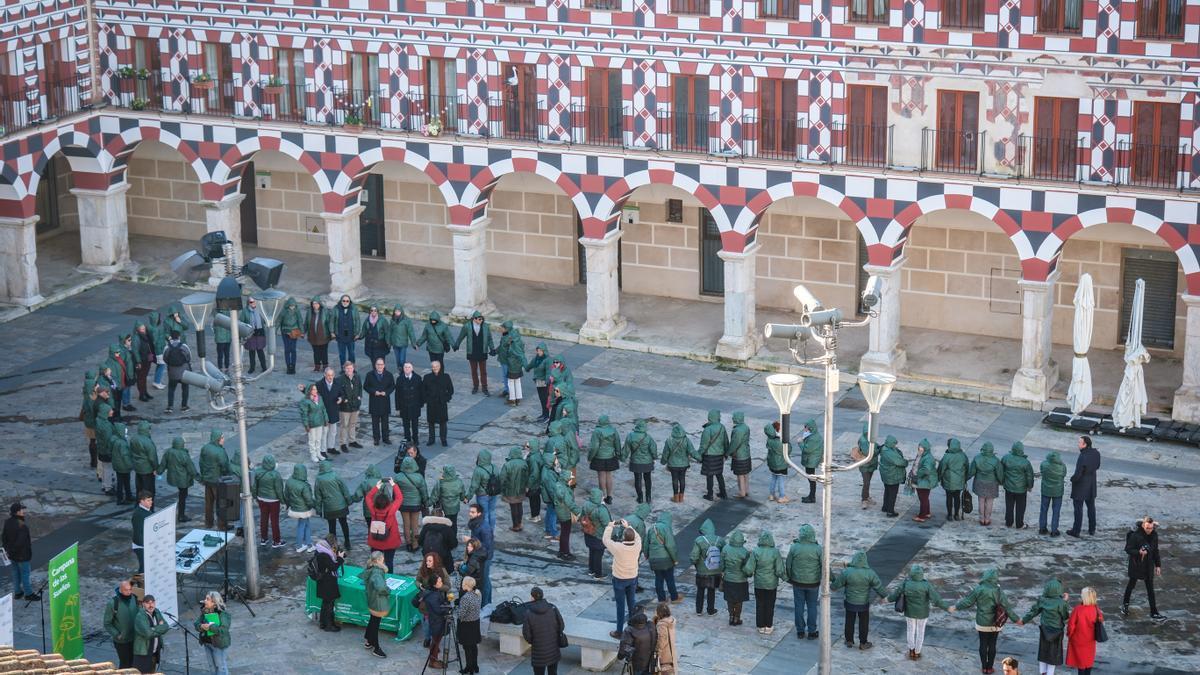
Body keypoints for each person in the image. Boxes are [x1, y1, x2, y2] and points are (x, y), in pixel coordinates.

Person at [951, 568, 1020, 674]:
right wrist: (1016, 619)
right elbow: (1007, 607)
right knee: (993, 644)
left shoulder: (979, 589)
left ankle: (984, 667)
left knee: (983, 643)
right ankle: (990, 667)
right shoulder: (998, 590)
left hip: (982, 622)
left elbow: (967, 602)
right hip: (995, 622)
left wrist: (956, 607)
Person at [886, 564, 951, 660]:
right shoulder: (926, 585)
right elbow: (936, 599)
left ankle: (911, 650)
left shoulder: (906, 583)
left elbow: (895, 594)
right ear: (921, 574)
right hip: (923, 613)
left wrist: (887, 599)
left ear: (911, 574)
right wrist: (947, 607)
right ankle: (917, 651)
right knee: (921, 632)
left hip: (910, 612)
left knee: (910, 630)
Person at [831, 550, 884, 649]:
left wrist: (832, 586)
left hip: (850, 602)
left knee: (849, 620)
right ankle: (863, 642)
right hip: (863, 603)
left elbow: (836, 585)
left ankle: (849, 640)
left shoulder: (847, 572)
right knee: (864, 622)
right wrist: (885, 596)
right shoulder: (870, 573)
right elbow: (878, 586)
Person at [602, 518, 642, 638]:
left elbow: (605, 540)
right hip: (632, 577)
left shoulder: (618, 547)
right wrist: (628, 527)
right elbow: (638, 537)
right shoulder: (637, 546)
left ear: (624, 537)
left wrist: (610, 526)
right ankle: (632, 630)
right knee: (632, 604)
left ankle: (619, 631)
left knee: (620, 605)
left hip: (619, 578)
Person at [1022, 578, 1070, 675]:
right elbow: (1065, 617)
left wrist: (1023, 620)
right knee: (1053, 654)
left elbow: (1033, 611)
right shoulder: (1061, 603)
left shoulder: (1042, 600)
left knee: (1043, 651)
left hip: (1044, 629)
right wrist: (1065, 601)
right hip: (1056, 631)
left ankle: (1042, 672)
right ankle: (1050, 673)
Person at [743, 531, 786, 635]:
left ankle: (761, 626)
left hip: (759, 583)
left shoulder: (756, 551)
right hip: (771, 584)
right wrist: (786, 578)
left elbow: (749, 569)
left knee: (760, 604)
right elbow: (779, 570)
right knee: (770, 605)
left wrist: (746, 574)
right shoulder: (775, 552)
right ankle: (768, 626)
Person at [1123, 516, 1163, 619]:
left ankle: (1153, 612)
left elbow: (1155, 551)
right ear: (1142, 526)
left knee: (1150, 589)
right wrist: (1139, 552)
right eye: (1147, 528)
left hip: (1148, 566)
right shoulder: (1135, 536)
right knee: (1131, 585)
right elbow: (1128, 549)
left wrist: (1158, 565)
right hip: (1136, 564)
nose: (1149, 530)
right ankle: (1125, 605)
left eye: (1151, 528)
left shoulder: (1154, 535)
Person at [785, 524, 821, 640]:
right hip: (813, 583)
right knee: (812, 606)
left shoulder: (794, 547)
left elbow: (788, 564)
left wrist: (790, 577)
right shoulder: (817, 549)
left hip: (797, 582)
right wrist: (831, 578)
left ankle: (800, 631)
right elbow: (824, 565)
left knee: (799, 606)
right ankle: (811, 631)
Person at [522, 586, 565, 675]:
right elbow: (561, 626)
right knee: (553, 672)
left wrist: (534, 641)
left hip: (538, 653)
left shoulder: (528, 613)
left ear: (532, 597)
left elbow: (527, 634)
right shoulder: (552, 608)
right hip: (553, 649)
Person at [199, 430, 235, 531]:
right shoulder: (220, 452)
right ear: (218, 439)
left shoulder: (205, 448)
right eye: (222, 437)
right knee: (221, 504)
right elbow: (225, 466)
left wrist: (203, 476)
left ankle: (208, 523)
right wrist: (228, 475)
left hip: (207, 480)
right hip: (217, 481)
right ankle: (222, 525)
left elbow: (201, 463)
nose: (224, 440)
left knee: (209, 503)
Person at [366, 477, 403, 572]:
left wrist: (377, 487)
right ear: (387, 502)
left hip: (375, 540)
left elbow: (368, 497)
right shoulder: (391, 509)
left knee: (375, 561)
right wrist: (393, 484)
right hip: (390, 541)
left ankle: (374, 574)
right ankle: (389, 577)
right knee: (389, 561)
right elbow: (399, 497)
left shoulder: (373, 509)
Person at [315, 459, 352, 551]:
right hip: (341, 506)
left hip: (329, 508)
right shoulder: (335, 476)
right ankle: (347, 542)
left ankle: (333, 546)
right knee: (344, 524)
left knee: (332, 527)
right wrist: (348, 500)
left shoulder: (318, 479)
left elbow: (318, 496)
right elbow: (344, 489)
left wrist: (318, 509)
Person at [157, 436, 197, 522]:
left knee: (182, 495)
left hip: (173, 477)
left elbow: (163, 464)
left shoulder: (168, 452)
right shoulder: (184, 455)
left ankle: (181, 514)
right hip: (183, 480)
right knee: (183, 496)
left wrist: (158, 472)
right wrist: (199, 478)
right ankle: (181, 515)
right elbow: (191, 469)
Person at [1067, 436, 1100, 538]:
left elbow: (1078, 473)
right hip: (1091, 485)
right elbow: (1097, 466)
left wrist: (1072, 479)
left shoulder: (1082, 456)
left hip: (1081, 486)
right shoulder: (1096, 453)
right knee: (1091, 508)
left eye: (1080, 442)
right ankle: (1092, 529)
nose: (1078, 444)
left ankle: (1076, 531)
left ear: (1085, 444)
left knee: (1078, 509)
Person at [689, 518, 723, 616]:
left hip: (702, 571)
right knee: (711, 591)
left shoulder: (699, 540)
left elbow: (694, 556)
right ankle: (710, 610)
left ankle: (699, 610)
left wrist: (695, 563)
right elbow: (723, 554)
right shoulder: (719, 540)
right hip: (715, 570)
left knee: (700, 591)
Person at [455, 310, 495, 394]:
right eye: (479, 319)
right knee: (474, 370)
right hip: (472, 351)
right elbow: (461, 336)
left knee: (483, 371)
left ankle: (484, 387)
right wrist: (457, 344)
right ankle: (475, 386)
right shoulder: (467, 326)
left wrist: (492, 348)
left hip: (482, 351)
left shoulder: (486, 327)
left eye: (482, 319)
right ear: (474, 319)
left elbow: (489, 339)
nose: (481, 321)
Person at [359, 550, 390, 658]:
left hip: (372, 600)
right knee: (375, 623)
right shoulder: (377, 573)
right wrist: (388, 590)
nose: (384, 560)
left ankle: (369, 640)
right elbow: (381, 588)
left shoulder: (370, 569)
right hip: (378, 602)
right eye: (382, 558)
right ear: (378, 560)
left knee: (373, 620)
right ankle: (376, 648)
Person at [416, 551, 452, 643]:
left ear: (435, 561)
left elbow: (448, 586)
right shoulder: (422, 570)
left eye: (430, 561)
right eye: (426, 561)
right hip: (425, 601)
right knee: (425, 623)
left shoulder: (442, 571)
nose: (427, 563)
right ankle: (427, 638)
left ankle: (434, 640)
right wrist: (419, 585)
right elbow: (417, 580)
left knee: (435, 622)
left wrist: (440, 587)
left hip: (437, 601)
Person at [463, 503, 495, 605]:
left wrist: (471, 540)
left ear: (479, 513)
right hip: (479, 555)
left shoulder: (484, 527)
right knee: (485, 580)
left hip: (485, 557)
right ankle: (487, 602)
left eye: (473, 512)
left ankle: (485, 604)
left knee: (484, 581)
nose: (470, 514)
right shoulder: (476, 523)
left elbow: (487, 546)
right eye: (470, 511)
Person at [3, 503, 37, 599]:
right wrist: (13, 550)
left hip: (12, 555)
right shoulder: (22, 526)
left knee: (15, 573)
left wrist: (8, 550)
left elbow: (4, 537)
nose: (23, 511)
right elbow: (20, 542)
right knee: (25, 574)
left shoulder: (7, 522)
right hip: (22, 555)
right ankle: (29, 594)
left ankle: (18, 592)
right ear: (17, 512)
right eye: (22, 510)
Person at [1066, 587, 1103, 675]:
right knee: (1088, 661)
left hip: (1078, 640)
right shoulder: (1096, 609)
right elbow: (1100, 620)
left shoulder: (1078, 609)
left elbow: (1071, 625)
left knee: (1081, 664)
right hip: (1090, 640)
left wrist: (1069, 635)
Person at [313, 534, 346, 631]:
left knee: (325, 603)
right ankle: (329, 625)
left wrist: (338, 554)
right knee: (329, 604)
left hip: (323, 581)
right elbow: (333, 567)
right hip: (327, 582)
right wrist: (340, 558)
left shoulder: (321, 549)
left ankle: (323, 623)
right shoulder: (324, 555)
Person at [645, 512, 681, 604]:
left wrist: (647, 555)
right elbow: (670, 545)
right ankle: (674, 597)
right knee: (669, 578)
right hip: (665, 559)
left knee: (658, 578)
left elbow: (645, 544)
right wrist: (675, 559)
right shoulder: (666, 528)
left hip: (654, 559)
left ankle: (661, 599)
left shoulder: (651, 528)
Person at [252, 454, 286, 548]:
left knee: (264, 518)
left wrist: (255, 497)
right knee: (274, 521)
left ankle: (264, 538)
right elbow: (279, 490)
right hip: (274, 500)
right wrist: (283, 501)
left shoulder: (258, 472)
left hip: (261, 499)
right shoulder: (276, 475)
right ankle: (276, 541)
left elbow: (255, 487)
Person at [395, 456, 429, 552]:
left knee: (406, 524)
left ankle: (408, 543)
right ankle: (415, 544)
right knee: (415, 525)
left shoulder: (398, 477)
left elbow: (395, 492)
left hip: (403, 504)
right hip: (415, 504)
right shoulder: (419, 477)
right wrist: (426, 501)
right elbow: (423, 491)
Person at [103, 580, 139, 668]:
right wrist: (117, 634)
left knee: (134, 663)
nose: (129, 592)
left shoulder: (134, 598)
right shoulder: (113, 603)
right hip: (122, 641)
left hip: (134, 638)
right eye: (126, 590)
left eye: (130, 589)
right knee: (125, 664)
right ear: (120, 590)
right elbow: (107, 623)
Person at [195, 590, 232, 674]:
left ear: (214, 603)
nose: (205, 600)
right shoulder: (205, 611)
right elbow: (196, 623)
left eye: (207, 599)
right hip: (207, 643)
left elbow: (224, 629)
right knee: (212, 666)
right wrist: (201, 626)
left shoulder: (222, 614)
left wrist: (210, 627)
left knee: (220, 667)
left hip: (218, 644)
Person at [132, 594, 169, 673]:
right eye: (148, 603)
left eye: (152, 603)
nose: (150, 605)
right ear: (143, 604)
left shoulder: (157, 611)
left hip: (154, 652)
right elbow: (148, 634)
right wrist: (159, 627)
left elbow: (166, 626)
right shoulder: (140, 616)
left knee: (152, 672)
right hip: (143, 653)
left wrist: (153, 628)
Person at [661, 422, 698, 503]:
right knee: (682, 479)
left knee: (674, 480)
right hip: (684, 464)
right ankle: (681, 497)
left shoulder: (669, 440)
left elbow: (665, 453)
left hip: (673, 464)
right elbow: (692, 451)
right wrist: (700, 458)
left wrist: (663, 461)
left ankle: (675, 497)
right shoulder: (686, 440)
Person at [720, 529, 750, 626]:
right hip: (740, 580)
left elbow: (721, 565)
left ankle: (731, 616)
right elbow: (747, 568)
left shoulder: (725, 549)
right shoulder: (744, 552)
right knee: (739, 600)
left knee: (730, 599)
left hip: (728, 578)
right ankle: (737, 617)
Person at [429, 465, 467, 542]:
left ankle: (445, 540)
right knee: (454, 523)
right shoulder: (459, 482)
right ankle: (453, 540)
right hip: (455, 507)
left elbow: (434, 496)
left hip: (444, 507)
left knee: (445, 524)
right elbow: (462, 496)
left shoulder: (440, 482)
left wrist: (427, 503)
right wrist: (463, 499)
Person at [1002, 441, 1035, 529]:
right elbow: (1029, 476)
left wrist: (1002, 481)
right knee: (1020, 507)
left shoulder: (1006, 458)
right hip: (1021, 489)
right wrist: (1030, 486)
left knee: (1009, 505)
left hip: (1009, 486)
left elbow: (1001, 470)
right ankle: (1019, 524)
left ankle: (1009, 522)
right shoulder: (1026, 462)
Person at [970, 441, 1004, 527]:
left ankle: (981, 518)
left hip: (979, 481)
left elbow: (972, 471)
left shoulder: (977, 458)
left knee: (981, 501)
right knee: (990, 501)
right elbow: (999, 473)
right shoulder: (996, 460)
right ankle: (987, 519)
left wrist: (966, 478)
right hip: (991, 483)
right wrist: (1001, 481)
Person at [589, 415, 621, 503]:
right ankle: (610, 496)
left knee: (601, 476)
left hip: (599, 456)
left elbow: (594, 446)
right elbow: (617, 443)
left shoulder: (597, 431)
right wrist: (618, 454)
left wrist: (590, 457)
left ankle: (602, 496)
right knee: (609, 475)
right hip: (610, 456)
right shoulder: (613, 430)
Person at [549, 472, 581, 561]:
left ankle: (561, 551)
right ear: (566, 479)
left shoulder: (558, 485)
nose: (571, 480)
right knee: (565, 533)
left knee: (563, 532)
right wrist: (579, 513)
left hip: (560, 512)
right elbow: (570, 504)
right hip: (565, 513)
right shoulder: (564, 490)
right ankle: (566, 553)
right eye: (570, 478)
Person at [699, 409, 730, 500]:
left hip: (709, 456)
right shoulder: (722, 427)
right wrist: (726, 454)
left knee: (709, 476)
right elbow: (726, 442)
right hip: (720, 455)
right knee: (719, 474)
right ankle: (723, 492)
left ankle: (710, 494)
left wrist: (698, 455)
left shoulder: (707, 430)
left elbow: (703, 446)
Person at [422, 574, 452, 669]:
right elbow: (438, 610)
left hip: (436, 620)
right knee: (435, 641)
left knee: (436, 641)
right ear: (434, 584)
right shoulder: (433, 595)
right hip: (436, 621)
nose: (441, 583)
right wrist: (447, 608)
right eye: (439, 582)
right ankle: (433, 661)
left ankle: (434, 657)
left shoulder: (434, 592)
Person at [284, 464, 316, 553]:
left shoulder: (289, 481)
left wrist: (288, 505)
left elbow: (286, 495)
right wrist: (315, 506)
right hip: (303, 509)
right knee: (302, 526)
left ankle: (309, 543)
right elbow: (309, 500)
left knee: (306, 525)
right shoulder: (304, 485)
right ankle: (299, 545)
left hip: (295, 507)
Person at [583, 488, 613, 580]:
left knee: (592, 552)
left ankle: (591, 570)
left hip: (588, 532)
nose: (603, 497)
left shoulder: (586, 504)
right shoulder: (601, 509)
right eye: (601, 496)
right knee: (598, 555)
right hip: (598, 535)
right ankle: (598, 574)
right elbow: (607, 523)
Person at [363, 357, 395, 445]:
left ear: (384, 365)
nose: (380, 366)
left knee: (385, 422)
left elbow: (392, 386)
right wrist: (374, 392)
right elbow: (365, 386)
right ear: (375, 365)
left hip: (385, 401)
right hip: (374, 401)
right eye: (378, 364)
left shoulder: (389, 375)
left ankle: (386, 438)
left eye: (381, 364)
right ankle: (376, 439)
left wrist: (386, 392)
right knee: (375, 422)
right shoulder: (370, 375)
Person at [422, 359, 453, 447]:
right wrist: (427, 400)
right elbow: (423, 391)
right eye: (433, 367)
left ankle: (443, 439)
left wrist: (445, 399)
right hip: (431, 404)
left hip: (441, 403)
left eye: (436, 366)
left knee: (443, 422)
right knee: (431, 422)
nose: (434, 368)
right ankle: (431, 439)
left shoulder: (446, 376)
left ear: (440, 367)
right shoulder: (427, 377)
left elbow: (450, 390)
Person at [335, 361, 364, 454]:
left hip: (355, 405)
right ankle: (343, 443)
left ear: (353, 368)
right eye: (347, 369)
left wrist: (360, 397)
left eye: (351, 368)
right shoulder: (339, 379)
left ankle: (352, 441)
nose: (349, 370)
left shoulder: (357, 377)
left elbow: (360, 387)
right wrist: (344, 399)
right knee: (344, 425)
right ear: (344, 369)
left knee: (353, 424)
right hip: (345, 407)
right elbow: (338, 391)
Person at [394, 361, 425, 447]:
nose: (407, 369)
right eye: (405, 367)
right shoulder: (399, 379)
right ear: (403, 369)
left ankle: (415, 439)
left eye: (408, 367)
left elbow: (421, 392)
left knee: (415, 424)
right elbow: (397, 394)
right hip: (404, 405)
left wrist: (421, 404)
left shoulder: (418, 378)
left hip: (414, 405)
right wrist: (398, 407)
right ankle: (407, 439)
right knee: (406, 424)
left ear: (412, 368)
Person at [469, 449, 500, 532]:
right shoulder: (495, 467)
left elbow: (474, 486)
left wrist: (468, 497)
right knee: (492, 512)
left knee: (484, 514)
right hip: (493, 493)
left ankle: (485, 532)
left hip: (482, 495)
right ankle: (491, 530)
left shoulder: (478, 470)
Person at [315, 367, 344, 457]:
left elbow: (342, 394)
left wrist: (341, 398)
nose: (330, 377)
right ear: (324, 375)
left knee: (333, 431)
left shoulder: (337, 383)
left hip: (334, 410)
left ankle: (331, 447)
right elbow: (312, 393)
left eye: (332, 375)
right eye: (328, 375)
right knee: (324, 432)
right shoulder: (319, 384)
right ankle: (322, 450)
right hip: (324, 412)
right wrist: (303, 390)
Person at [938, 437, 969, 521]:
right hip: (959, 481)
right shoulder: (963, 456)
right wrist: (965, 478)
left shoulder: (947, 456)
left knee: (949, 497)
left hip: (949, 480)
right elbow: (967, 467)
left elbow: (941, 468)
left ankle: (949, 515)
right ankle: (956, 514)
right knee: (957, 497)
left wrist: (939, 477)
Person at [501, 446, 531, 531]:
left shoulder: (507, 464)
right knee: (519, 505)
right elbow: (527, 476)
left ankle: (515, 525)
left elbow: (502, 478)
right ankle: (520, 523)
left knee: (513, 507)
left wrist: (502, 488)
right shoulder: (524, 463)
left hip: (510, 490)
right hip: (521, 489)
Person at [497, 320, 527, 404]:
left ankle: (512, 397)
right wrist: (496, 351)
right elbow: (502, 347)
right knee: (512, 379)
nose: (500, 328)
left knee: (509, 379)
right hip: (507, 361)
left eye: (502, 327)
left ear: (507, 329)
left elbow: (505, 349)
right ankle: (514, 395)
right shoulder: (508, 336)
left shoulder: (509, 339)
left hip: (508, 362)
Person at [457, 575, 483, 674]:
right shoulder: (478, 593)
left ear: (466, 585)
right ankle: (475, 666)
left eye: (463, 582)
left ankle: (469, 667)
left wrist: (456, 609)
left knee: (467, 648)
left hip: (466, 626)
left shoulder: (465, 598)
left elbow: (461, 615)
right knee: (473, 646)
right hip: (475, 623)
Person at [1038, 451, 1067, 536]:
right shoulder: (1062, 466)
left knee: (1043, 510)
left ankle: (1042, 528)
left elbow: (1042, 471)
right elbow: (1064, 475)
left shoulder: (1044, 464)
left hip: (1046, 490)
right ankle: (1054, 530)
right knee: (1056, 511)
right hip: (1058, 491)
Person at [878, 435, 908, 517]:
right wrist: (906, 462)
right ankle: (890, 511)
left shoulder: (884, 449)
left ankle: (885, 507)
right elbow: (899, 462)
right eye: (894, 444)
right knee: (892, 494)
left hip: (886, 475)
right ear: (891, 443)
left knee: (887, 491)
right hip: (892, 476)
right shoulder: (889, 453)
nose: (895, 445)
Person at [163, 330, 192, 413]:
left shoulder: (167, 347)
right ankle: (184, 406)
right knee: (185, 388)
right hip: (184, 372)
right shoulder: (184, 346)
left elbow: (165, 358)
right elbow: (189, 357)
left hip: (172, 372)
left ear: (171, 337)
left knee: (171, 389)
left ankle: (170, 406)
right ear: (179, 337)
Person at [299, 384, 330, 463]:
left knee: (318, 439)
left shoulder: (320, 398)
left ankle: (318, 453)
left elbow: (323, 409)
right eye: (313, 389)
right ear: (309, 391)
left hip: (320, 422)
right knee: (312, 440)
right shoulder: (305, 401)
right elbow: (304, 414)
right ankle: (313, 455)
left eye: (316, 389)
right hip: (311, 424)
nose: (315, 391)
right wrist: (306, 425)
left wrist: (326, 419)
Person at [130, 421, 159, 500]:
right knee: (149, 490)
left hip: (138, 467)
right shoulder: (148, 442)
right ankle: (149, 508)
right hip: (147, 469)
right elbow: (152, 458)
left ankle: (138, 504)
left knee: (139, 489)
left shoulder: (133, 439)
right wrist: (156, 468)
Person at [239, 296, 268, 374]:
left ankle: (264, 367)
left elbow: (265, 319)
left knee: (260, 351)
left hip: (260, 332)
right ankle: (252, 367)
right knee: (252, 352)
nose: (253, 303)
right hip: (250, 332)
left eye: (254, 301)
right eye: (251, 302)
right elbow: (241, 322)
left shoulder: (260, 309)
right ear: (248, 303)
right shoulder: (245, 311)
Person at [304, 296, 332, 372]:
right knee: (316, 352)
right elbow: (306, 322)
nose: (315, 305)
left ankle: (325, 366)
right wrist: (303, 332)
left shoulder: (325, 311)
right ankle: (317, 366)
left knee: (324, 352)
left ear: (319, 304)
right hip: (313, 336)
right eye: (313, 304)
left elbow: (329, 323)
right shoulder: (309, 312)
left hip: (324, 335)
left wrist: (332, 332)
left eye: (316, 304)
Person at [798, 419, 822, 504]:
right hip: (811, 459)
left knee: (811, 479)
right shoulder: (813, 435)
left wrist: (800, 443)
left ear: (810, 428)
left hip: (811, 461)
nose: (804, 429)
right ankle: (811, 496)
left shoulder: (813, 438)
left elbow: (807, 449)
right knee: (811, 479)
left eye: (805, 427)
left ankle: (812, 497)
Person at [728, 411, 752, 499]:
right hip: (746, 453)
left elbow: (734, 444)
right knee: (745, 473)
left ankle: (741, 492)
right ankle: (746, 490)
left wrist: (728, 452)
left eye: (733, 417)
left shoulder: (737, 430)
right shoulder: (746, 427)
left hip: (739, 455)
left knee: (740, 474)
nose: (732, 419)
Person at [386, 305, 417, 370]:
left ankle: (403, 371)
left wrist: (413, 343)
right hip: (395, 343)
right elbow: (389, 332)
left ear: (401, 312)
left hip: (403, 343)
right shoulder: (392, 320)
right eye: (396, 311)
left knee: (402, 360)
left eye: (398, 311)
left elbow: (411, 332)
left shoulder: (407, 320)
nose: (397, 312)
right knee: (397, 360)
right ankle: (400, 371)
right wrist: (388, 342)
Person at [332, 294, 361, 365]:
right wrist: (332, 332)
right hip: (340, 335)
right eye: (344, 301)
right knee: (342, 354)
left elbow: (357, 321)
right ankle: (343, 369)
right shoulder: (336, 309)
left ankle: (352, 368)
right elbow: (332, 321)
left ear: (349, 302)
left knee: (351, 353)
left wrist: (357, 333)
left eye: (347, 301)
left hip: (351, 336)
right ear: (341, 301)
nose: (345, 302)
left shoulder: (354, 309)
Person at [526, 342, 552, 422]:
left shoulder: (548, 360)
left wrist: (547, 381)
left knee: (545, 399)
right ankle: (543, 414)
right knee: (541, 399)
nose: (539, 352)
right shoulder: (536, 359)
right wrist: (526, 367)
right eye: (538, 350)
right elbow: (530, 365)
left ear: (544, 351)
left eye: (540, 350)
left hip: (545, 383)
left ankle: (547, 416)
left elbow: (549, 372)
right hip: (538, 381)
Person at [278, 296, 303, 374]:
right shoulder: (283, 312)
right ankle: (288, 366)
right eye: (291, 306)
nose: (292, 307)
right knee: (287, 350)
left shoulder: (297, 311)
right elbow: (279, 321)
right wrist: (274, 330)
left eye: (293, 306)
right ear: (288, 305)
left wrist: (302, 332)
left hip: (294, 331)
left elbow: (300, 321)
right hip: (285, 331)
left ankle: (293, 366)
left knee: (293, 349)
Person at [913, 439, 937, 522]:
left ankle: (922, 516)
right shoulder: (924, 455)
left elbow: (926, 470)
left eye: (921, 448)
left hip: (925, 481)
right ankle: (927, 512)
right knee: (925, 498)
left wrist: (917, 473)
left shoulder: (928, 458)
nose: (919, 449)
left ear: (925, 449)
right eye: (919, 448)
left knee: (923, 498)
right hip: (924, 480)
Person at [766, 422, 790, 503]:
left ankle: (771, 495)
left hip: (772, 463)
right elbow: (788, 450)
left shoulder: (770, 439)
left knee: (774, 478)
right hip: (781, 464)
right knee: (781, 479)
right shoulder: (780, 441)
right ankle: (782, 496)